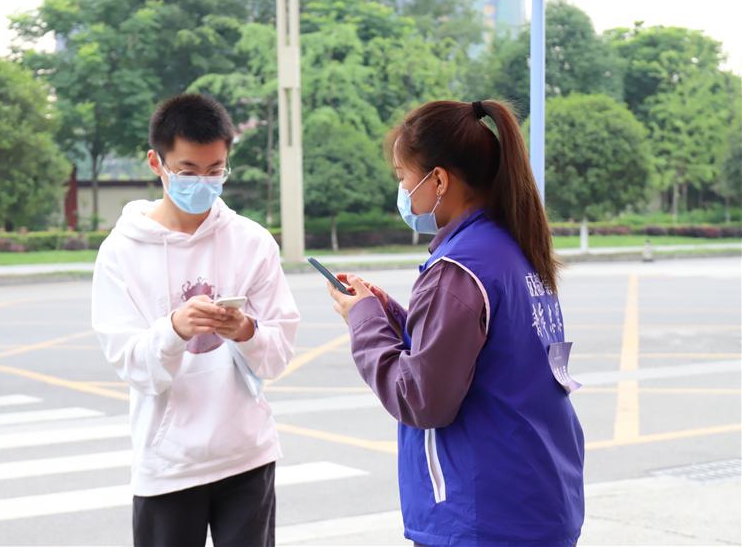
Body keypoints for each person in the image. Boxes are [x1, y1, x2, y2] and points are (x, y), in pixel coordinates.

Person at [326, 100, 585, 547]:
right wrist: (389, 314)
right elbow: (479, 352)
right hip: (536, 498)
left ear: (439, 180)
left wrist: (363, 320)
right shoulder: (512, 246)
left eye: (402, 178)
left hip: (483, 515)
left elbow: (422, 398)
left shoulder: (458, 268)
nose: (402, 192)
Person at [92, 94, 299, 547]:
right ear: (157, 162)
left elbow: (279, 354)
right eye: (188, 172)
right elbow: (131, 365)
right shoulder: (120, 253)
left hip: (246, 453)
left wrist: (246, 331)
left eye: (215, 170)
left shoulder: (252, 242)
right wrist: (174, 329)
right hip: (168, 464)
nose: (203, 183)